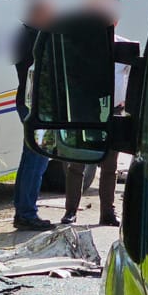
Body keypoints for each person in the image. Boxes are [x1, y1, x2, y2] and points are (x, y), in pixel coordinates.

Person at [61, 20, 130, 227]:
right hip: (86, 111)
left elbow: (131, 76)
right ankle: (70, 211)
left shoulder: (124, 46)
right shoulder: (83, 47)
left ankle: (108, 213)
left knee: (110, 167)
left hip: (114, 112)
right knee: (77, 163)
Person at [13, 0, 56, 231]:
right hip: (35, 106)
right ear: (39, 14)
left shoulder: (27, 35)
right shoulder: (34, 38)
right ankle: (27, 213)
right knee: (37, 159)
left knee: (31, 158)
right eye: (50, 15)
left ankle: (24, 210)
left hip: (29, 104)